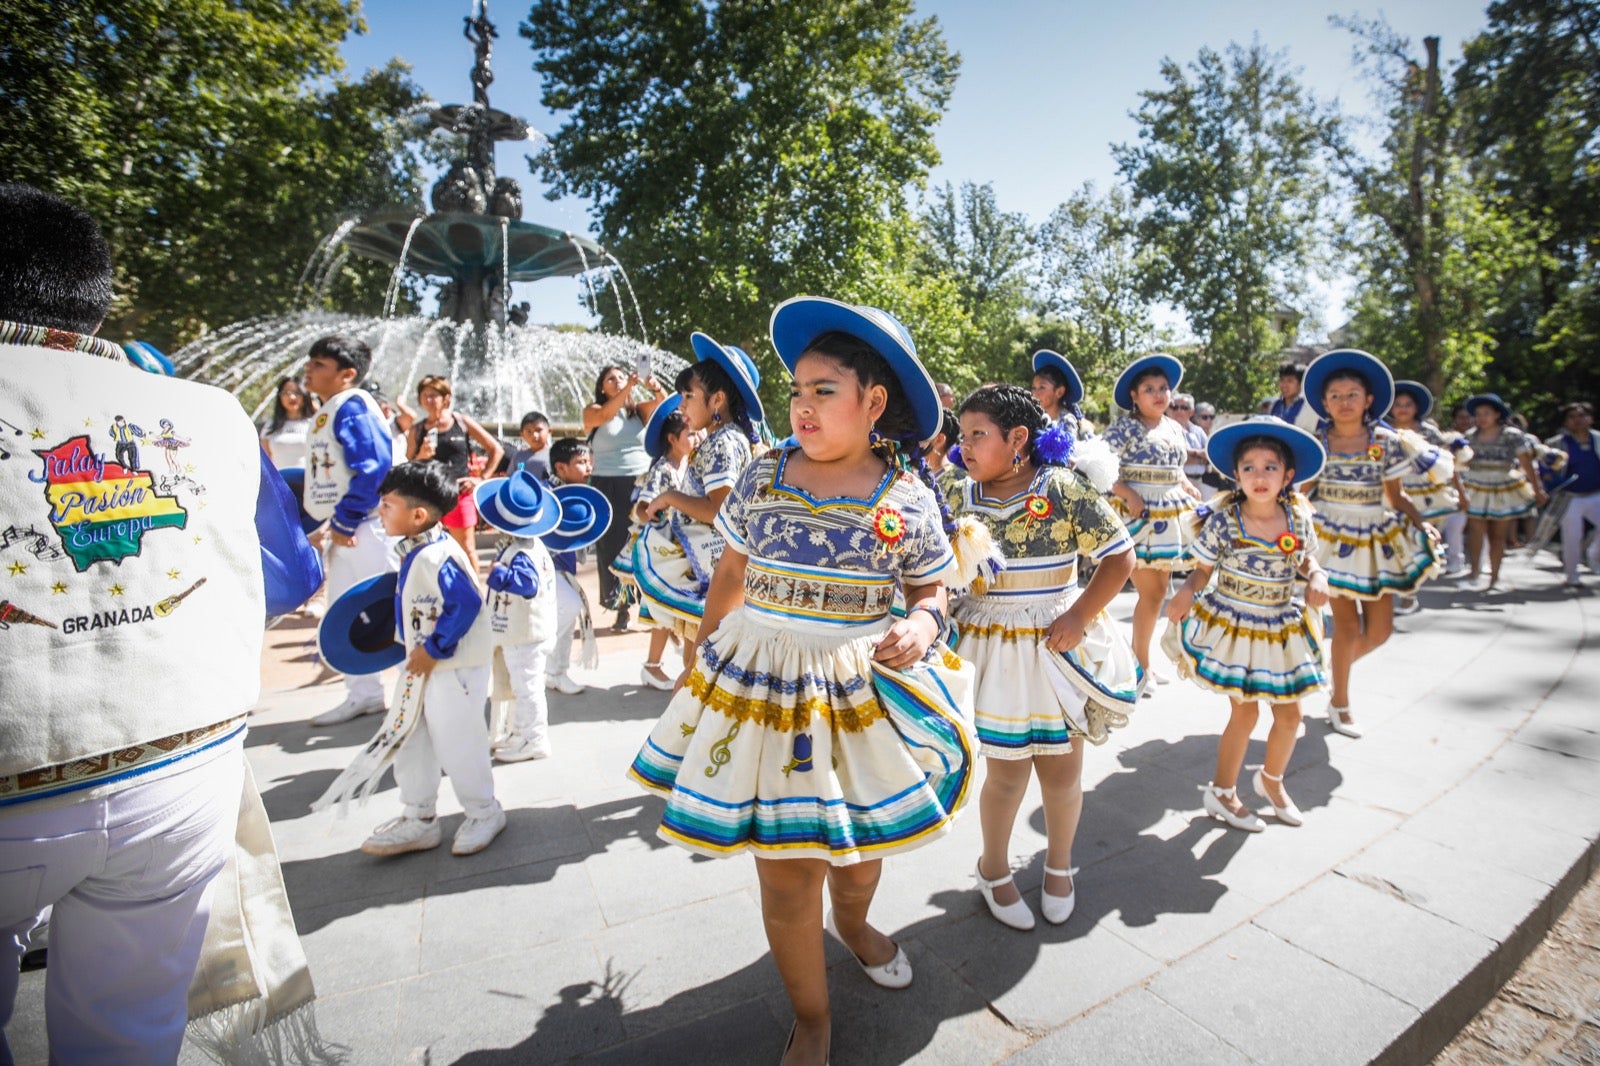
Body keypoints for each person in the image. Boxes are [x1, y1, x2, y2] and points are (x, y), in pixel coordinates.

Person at [0, 181, 323, 1063]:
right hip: (183, 773)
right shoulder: (210, 412)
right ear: (95, 295)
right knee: (132, 1035)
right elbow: (290, 577)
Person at [628, 297, 977, 1066]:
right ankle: (812, 1017)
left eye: (825, 390)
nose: (804, 407)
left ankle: (853, 923)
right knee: (787, 876)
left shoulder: (909, 499)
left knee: (853, 855)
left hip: (856, 694)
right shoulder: (761, 473)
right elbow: (730, 567)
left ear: (873, 402)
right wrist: (702, 651)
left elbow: (932, 589)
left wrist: (922, 626)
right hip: (755, 684)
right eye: (797, 392)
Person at [949, 385, 1138, 931]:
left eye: (977, 435)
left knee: (1062, 771)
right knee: (1005, 775)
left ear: (1018, 439)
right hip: (992, 648)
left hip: (1057, 643)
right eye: (962, 436)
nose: (965, 447)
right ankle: (994, 869)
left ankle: (1059, 865)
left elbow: (1118, 555)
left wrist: (1079, 616)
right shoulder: (957, 493)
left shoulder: (1062, 488)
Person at [314, 461, 506, 858]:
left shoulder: (435, 555)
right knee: (413, 736)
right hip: (425, 665)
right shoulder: (417, 551)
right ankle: (419, 816)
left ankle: (484, 811)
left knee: (458, 741)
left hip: (452, 669)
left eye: (387, 505)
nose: (379, 512)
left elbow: (465, 603)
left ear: (417, 515)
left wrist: (433, 647)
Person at [1165, 418, 1331, 831]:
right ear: (1235, 475)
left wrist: (1318, 576)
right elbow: (1202, 571)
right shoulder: (1225, 520)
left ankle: (1271, 782)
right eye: (1250, 467)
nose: (1260, 476)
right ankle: (1222, 792)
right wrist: (1186, 592)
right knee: (1246, 714)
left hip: (1280, 627)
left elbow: (1308, 559)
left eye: (1270, 467)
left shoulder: (1297, 519)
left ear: (1288, 475)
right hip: (1236, 625)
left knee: (1291, 716)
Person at [1303, 350, 1442, 738]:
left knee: (1380, 631)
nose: (1344, 402)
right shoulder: (1319, 441)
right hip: (1330, 539)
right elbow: (1301, 491)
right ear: (1324, 403)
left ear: (1368, 400)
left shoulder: (1386, 440)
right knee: (1346, 627)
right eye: (1335, 395)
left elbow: (1396, 497)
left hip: (1375, 538)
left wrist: (1422, 523)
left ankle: (1335, 671)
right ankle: (1341, 702)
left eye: (1352, 394)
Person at [636, 333, 764, 664]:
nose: (680, 405)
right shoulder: (728, 439)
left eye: (688, 395)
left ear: (717, 398)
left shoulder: (723, 442)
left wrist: (670, 496)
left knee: (700, 670)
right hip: (715, 567)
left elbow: (719, 511)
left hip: (718, 571)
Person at [303, 333, 400, 726]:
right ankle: (364, 695)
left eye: (319, 365)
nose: (309, 370)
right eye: (310, 362)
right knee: (345, 612)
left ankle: (424, 691)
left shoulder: (353, 407)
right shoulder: (333, 407)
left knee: (395, 608)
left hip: (367, 528)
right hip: (347, 529)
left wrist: (345, 519)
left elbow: (374, 467)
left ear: (348, 374)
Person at [1104, 354, 1202, 683]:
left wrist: (1187, 486)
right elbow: (1099, 470)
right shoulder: (1123, 429)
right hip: (1138, 516)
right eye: (1149, 389)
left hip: (1171, 516)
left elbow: (1176, 470)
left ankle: (1140, 662)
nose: (1159, 395)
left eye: (1164, 388)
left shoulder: (1174, 427)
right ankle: (1139, 667)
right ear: (1134, 395)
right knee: (1152, 594)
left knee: (1158, 592)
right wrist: (1127, 492)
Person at [475, 468, 564, 762]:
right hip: (528, 631)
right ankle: (522, 731)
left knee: (527, 689)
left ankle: (534, 738)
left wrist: (500, 575)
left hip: (527, 634)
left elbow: (527, 586)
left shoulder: (522, 554)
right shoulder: (531, 546)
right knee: (523, 686)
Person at [618, 396, 700, 690]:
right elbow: (643, 507)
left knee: (679, 610)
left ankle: (682, 667)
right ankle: (655, 667)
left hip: (682, 548)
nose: (696, 437)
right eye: (689, 433)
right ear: (672, 438)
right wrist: (658, 515)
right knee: (669, 609)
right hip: (663, 552)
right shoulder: (663, 469)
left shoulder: (688, 465)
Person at [584, 365, 669, 631]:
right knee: (611, 546)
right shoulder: (593, 411)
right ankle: (620, 607)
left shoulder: (639, 411)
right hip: (607, 484)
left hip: (640, 484)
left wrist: (654, 386)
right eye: (611, 379)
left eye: (622, 376)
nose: (618, 381)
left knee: (645, 542)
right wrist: (629, 387)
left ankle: (651, 602)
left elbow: (665, 406)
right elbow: (607, 413)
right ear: (601, 387)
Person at [407, 375, 503, 562]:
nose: (428, 400)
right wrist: (421, 456)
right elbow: (409, 464)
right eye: (424, 395)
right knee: (426, 549)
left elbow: (496, 449)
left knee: (466, 549)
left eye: (434, 395)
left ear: (446, 398)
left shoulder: (460, 422)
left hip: (459, 493)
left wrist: (481, 478)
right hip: (429, 495)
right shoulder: (417, 430)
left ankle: (473, 590)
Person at [1459, 393, 1546, 590]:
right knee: (1475, 531)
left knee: (1498, 535)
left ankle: (1494, 577)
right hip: (1476, 485)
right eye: (1478, 414)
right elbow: (1461, 463)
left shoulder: (1512, 436)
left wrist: (1536, 488)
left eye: (1486, 413)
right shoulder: (1469, 436)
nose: (1482, 418)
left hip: (1504, 485)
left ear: (1497, 414)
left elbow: (1526, 463)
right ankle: (1474, 572)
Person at [1390, 381, 1473, 584]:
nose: (1402, 409)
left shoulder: (1429, 433)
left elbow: (1446, 465)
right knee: (1398, 541)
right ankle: (1407, 585)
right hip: (1393, 491)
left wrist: (1461, 493)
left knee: (1419, 539)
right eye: (1398, 404)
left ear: (1416, 408)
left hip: (1426, 493)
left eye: (1407, 404)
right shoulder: (1383, 431)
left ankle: (1413, 587)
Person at [545, 437, 599, 694]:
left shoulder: (580, 495)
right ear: (561, 468)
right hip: (544, 569)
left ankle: (557, 672)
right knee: (568, 606)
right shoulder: (545, 495)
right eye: (581, 462)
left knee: (565, 624)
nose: (588, 468)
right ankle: (545, 664)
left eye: (589, 462)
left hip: (564, 569)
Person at [1547, 401, 1600, 588]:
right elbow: (1546, 469)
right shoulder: (1556, 444)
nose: (1577, 420)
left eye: (1581, 416)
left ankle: (1594, 554)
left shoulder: (1598, 439)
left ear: (1591, 418)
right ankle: (1572, 575)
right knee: (1572, 535)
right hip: (1569, 497)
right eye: (1572, 417)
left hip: (1596, 494)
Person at [259, 376, 317, 471]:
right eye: (286, 393)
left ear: (305, 395)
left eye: (297, 393)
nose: (291, 397)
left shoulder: (314, 424)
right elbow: (265, 460)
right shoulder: (270, 426)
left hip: (307, 481)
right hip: (279, 481)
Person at [1170, 390, 1210, 486]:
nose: (1179, 411)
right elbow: (1177, 456)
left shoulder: (1198, 430)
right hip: (1179, 482)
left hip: (1200, 481)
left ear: (1191, 412)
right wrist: (1200, 457)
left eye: (1184, 407)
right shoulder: (1168, 430)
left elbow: (1209, 453)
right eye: (1175, 407)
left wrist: (1191, 454)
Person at [1268, 361, 1319, 432]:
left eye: (1290, 381)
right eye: (1282, 380)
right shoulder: (1275, 405)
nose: (1284, 385)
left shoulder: (1309, 407)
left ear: (1300, 384)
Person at [505, 409, 553, 480]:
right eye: (529, 432)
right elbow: (510, 478)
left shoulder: (554, 455)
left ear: (549, 431)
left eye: (539, 430)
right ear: (522, 435)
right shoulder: (519, 456)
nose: (534, 435)